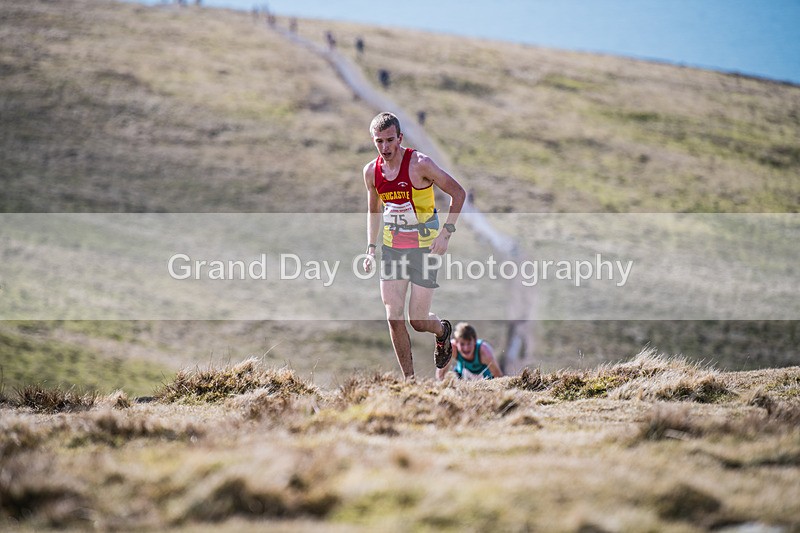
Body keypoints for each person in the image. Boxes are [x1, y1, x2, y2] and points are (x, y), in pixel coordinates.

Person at [362, 112, 466, 380]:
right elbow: (374, 212)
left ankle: (442, 331)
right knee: (393, 316)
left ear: (400, 138)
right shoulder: (372, 172)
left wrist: (446, 233)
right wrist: (371, 249)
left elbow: (458, 193)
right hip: (393, 248)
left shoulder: (420, 164)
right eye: (378, 142)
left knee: (417, 321)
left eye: (389, 140)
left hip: (425, 249)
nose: (385, 148)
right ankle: (409, 381)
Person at [436, 322, 503, 381]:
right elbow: (441, 373)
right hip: (463, 378)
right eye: (462, 344)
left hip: (486, 380)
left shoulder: (484, 352)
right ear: (456, 342)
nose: (466, 348)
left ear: (475, 341)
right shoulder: (451, 348)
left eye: (469, 343)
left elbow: (498, 376)